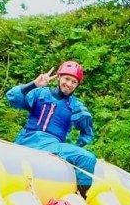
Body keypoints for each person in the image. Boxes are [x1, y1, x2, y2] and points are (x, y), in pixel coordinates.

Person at [6, 62, 97, 196]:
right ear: (59, 77)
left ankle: (81, 197)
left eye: (74, 82)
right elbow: (12, 97)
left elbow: (87, 133)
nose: (69, 84)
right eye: (66, 79)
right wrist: (34, 84)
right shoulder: (39, 93)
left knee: (88, 158)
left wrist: (75, 145)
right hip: (26, 140)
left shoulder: (76, 106)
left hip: (52, 146)